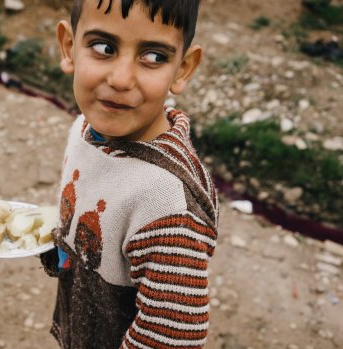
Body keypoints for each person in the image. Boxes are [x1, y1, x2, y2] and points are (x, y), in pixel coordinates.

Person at [40, 1, 219, 348]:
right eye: (104, 47)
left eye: (153, 56)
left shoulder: (166, 205)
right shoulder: (85, 130)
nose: (121, 79)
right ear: (68, 47)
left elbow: (171, 338)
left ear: (182, 70)